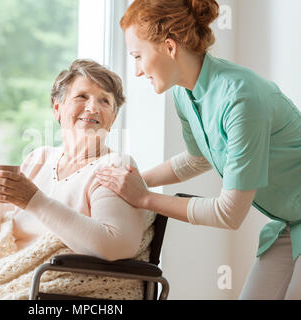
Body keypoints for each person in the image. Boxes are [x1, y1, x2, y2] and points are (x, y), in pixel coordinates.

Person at [96, 0, 301, 299]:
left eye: (138, 56)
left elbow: (229, 213)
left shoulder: (241, 99)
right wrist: (133, 178)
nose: (137, 71)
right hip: (289, 221)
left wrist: (143, 197)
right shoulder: (184, 94)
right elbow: (197, 159)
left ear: (169, 47)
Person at [0, 59, 154, 300]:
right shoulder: (39, 159)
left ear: (112, 118)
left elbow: (115, 245)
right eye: (82, 96)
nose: (92, 107)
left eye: (105, 101)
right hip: (12, 281)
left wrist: (34, 201)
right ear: (57, 108)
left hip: (57, 291)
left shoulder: (115, 166)